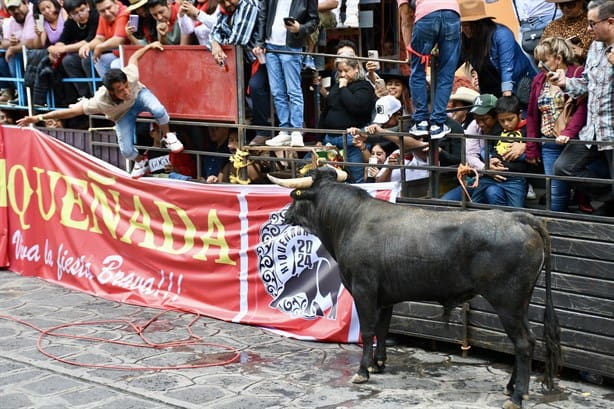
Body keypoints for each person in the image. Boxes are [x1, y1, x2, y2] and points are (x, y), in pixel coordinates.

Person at [16, 42, 183, 179]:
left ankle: (168, 135)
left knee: (158, 109)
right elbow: (70, 113)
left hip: (139, 96)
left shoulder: (130, 76)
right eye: (120, 90)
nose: (125, 92)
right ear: (111, 92)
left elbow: (133, 58)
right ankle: (141, 161)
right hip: (123, 114)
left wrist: (148, 46)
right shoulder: (100, 101)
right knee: (126, 151)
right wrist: (38, 117)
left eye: (126, 87)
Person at [550, 0, 614, 216]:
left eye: (592, 23)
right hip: (593, 129)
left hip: (612, 132)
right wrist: (565, 83)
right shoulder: (596, 47)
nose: (588, 29)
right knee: (563, 167)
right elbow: (586, 83)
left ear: (610, 22)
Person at [525, 37, 587, 212]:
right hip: (549, 143)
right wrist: (532, 146)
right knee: (555, 191)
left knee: (579, 186)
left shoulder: (577, 74)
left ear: (558, 58)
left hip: (574, 142)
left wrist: (568, 132)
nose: (539, 65)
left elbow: (583, 108)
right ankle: (557, 226)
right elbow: (531, 114)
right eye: (538, 61)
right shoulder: (539, 80)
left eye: (543, 61)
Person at [253, 0, 319, 148]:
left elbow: (314, 21)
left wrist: (299, 28)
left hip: (291, 45)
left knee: (293, 90)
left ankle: (296, 130)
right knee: (277, 91)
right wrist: (260, 42)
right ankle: (285, 130)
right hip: (271, 45)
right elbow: (263, 14)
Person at [458, 0, 537, 99]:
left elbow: (507, 67)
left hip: (518, 88)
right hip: (490, 91)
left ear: (480, 23)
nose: (464, 29)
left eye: (468, 25)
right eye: (462, 25)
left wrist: (507, 98)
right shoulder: (465, 40)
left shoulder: (501, 34)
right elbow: (450, 64)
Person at [317, 55, 376, 182]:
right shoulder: (335, 87)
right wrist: (319, 138)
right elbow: (326, 111)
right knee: (327, 176)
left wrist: (343, 88)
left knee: (355, 177)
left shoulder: (364, 87)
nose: (343, 74)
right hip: (331, 140)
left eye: (346, 70)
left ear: (356, 69)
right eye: (340, 71)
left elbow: (356, 107)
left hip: (352, 140)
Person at [408, 0, 461, 140]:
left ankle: (421, 122)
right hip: (451, 12)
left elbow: (405, 20)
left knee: (418, 71)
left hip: (425, 16)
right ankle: (437, 123)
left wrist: (410, 50)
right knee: (447, 72)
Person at [472, 95, 528, 207]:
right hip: (492, 175)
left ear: (519, 114)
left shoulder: (527, 129)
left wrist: (522, 151)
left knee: (516, 211)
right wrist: (489, 160)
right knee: (474, 201)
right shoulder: (496, 129)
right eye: (502, 120)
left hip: (515, 179)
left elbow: (534, 150)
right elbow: (486, 148)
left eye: (510, 119)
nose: (506, 124)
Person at [51, 0, 100, 101]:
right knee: (68, 61)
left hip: (99, 51)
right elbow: (62, 40)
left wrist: (64, 48)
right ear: (69, 15)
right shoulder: (70, 23)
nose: (80, 15)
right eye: (75, 13)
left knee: (86, 59)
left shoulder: (95, 16)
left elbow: (89, 40)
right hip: (83, 52)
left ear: (87, 6)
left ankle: (97, 93)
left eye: (82, 10)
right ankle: (85, 96)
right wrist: (55, 49)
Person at [78, 0, 129, 78]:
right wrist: (87, 46)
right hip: (117, 54)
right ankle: (109, 88)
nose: (107, 13)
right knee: (96, 60)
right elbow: (99, 38)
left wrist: (100, 47)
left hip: (130, 54)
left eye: (109, 8)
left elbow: (119, 40)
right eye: (102, 11)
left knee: (115, 65)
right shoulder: (103, 16)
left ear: (116, 3)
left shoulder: (124, 12)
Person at [0, 0, 37, 103]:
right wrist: (11, 44)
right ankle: (15, 93)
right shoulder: (11, 21)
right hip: (24, 57)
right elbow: (4, 43)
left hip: (39, 53)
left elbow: (35, 42)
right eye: (12, 9)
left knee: (14, 56)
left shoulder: (37, 13)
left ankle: (24, 97)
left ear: (25, 3)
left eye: (18, 7)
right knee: (2, 60)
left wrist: (13, 48)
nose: (16, 11)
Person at [542, 0, 593, 65]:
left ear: (581, 2)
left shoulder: (592, 23)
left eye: (570, 4)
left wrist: (582, 53)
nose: (565, 8)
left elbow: (602, 57)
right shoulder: (553, 25)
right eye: (561, 5)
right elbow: (541, 52)